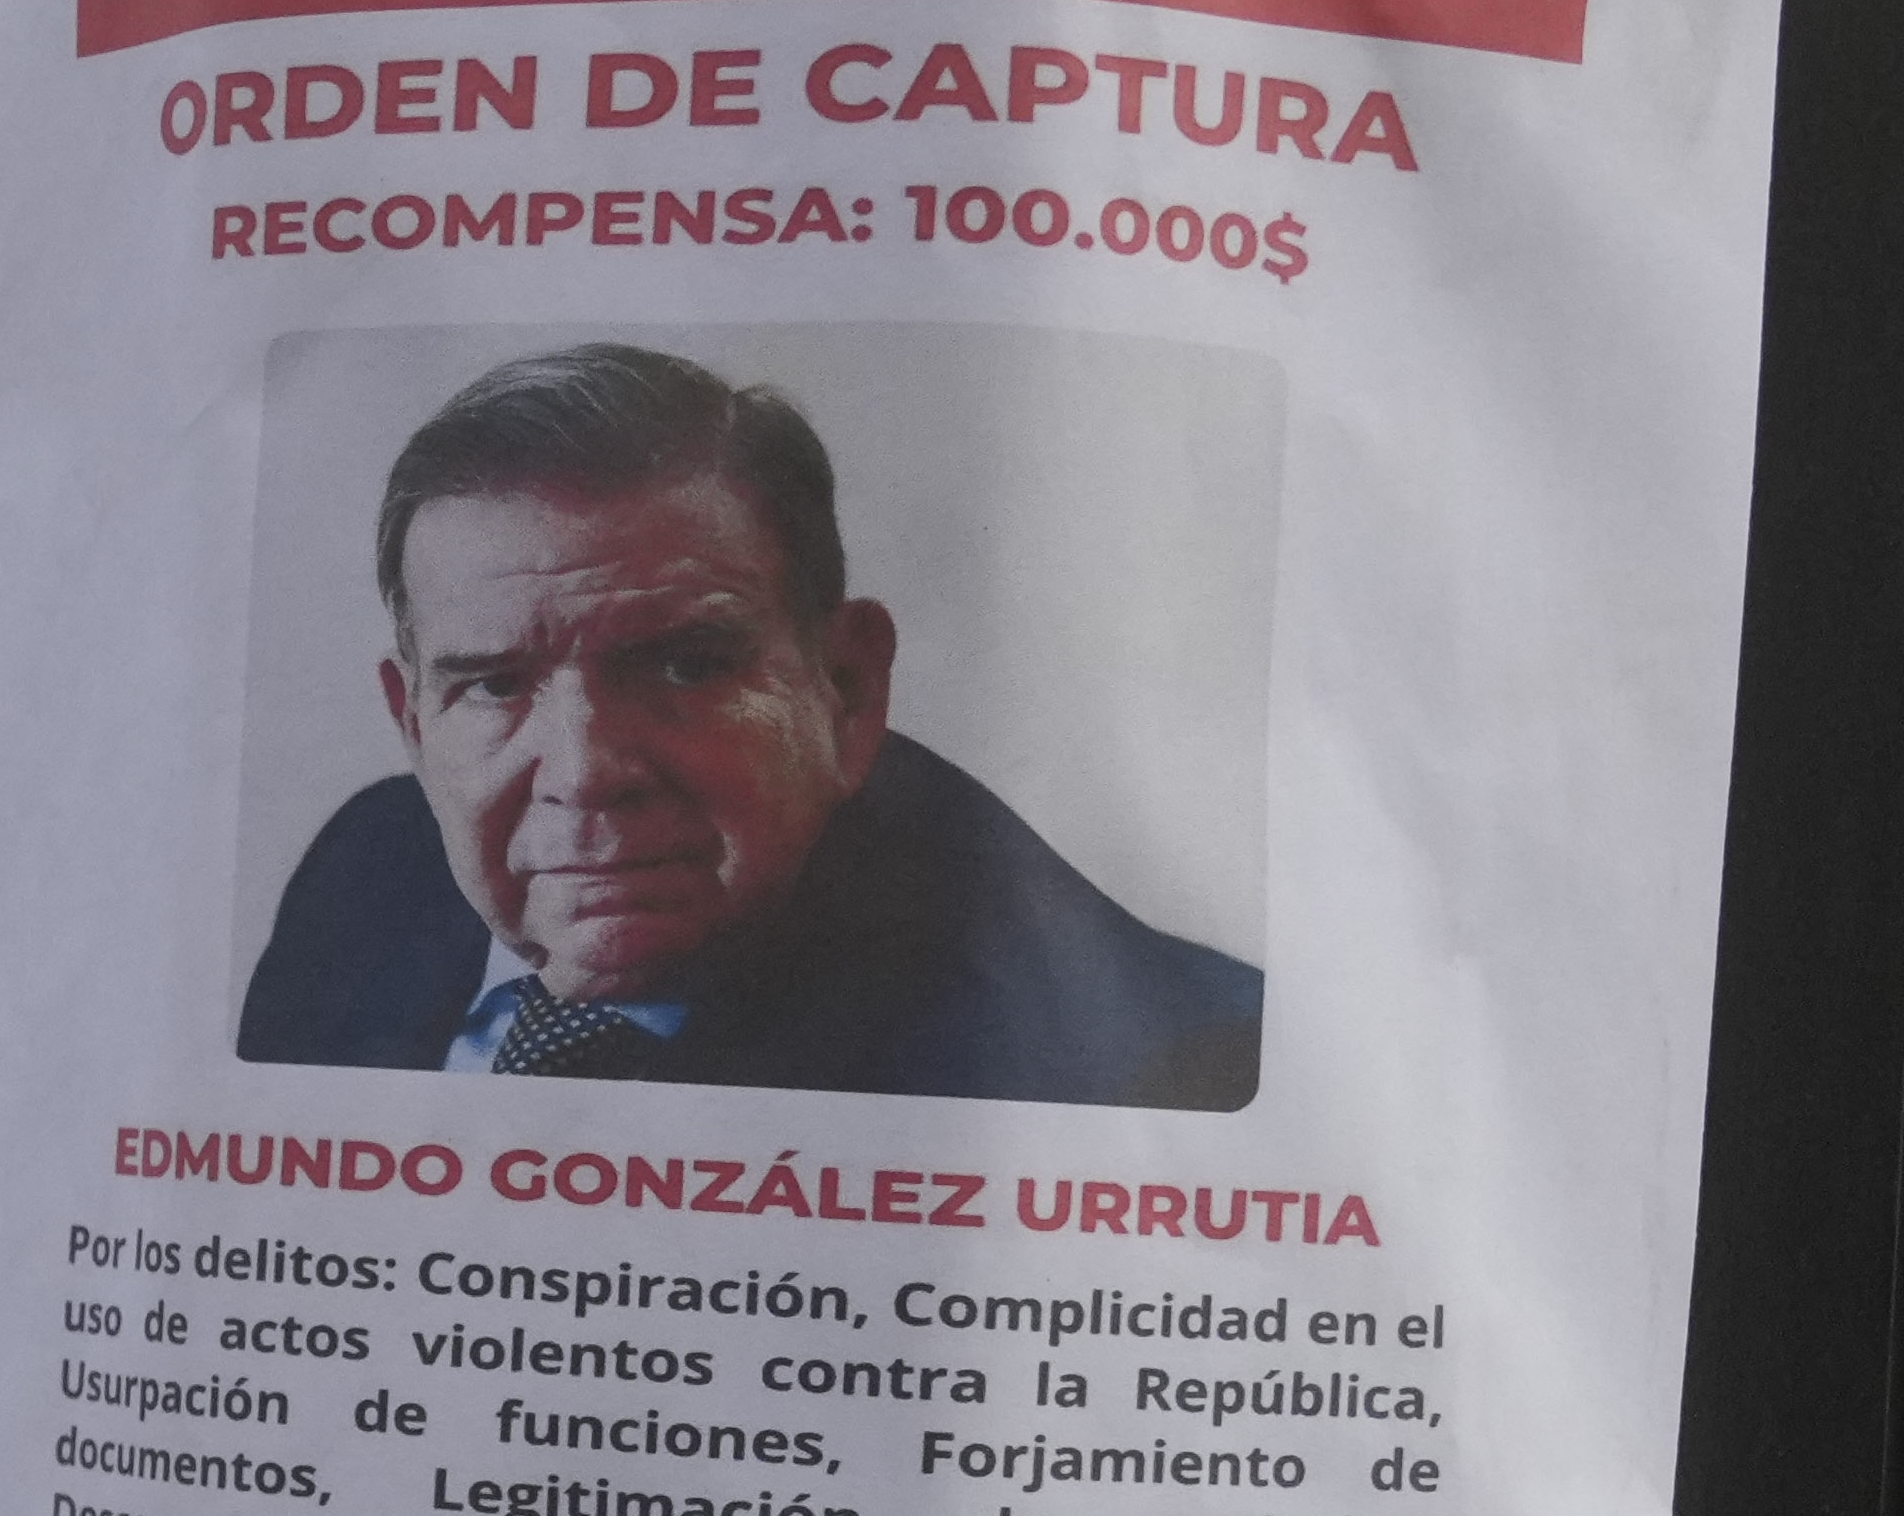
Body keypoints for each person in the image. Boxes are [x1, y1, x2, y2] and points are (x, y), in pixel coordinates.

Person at [231, 341, 1261, 1110]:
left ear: (846, 690)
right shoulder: (364, 875)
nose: (584, 774)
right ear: (410, 724)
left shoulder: (1156, 1067)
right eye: (493, 686)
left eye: (685, 666)